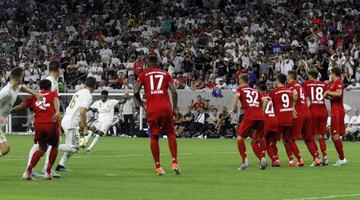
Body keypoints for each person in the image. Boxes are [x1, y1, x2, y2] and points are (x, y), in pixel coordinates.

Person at [134, 52, 180, 175]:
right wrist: (175, 108)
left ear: (147, 63)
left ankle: (158, 167)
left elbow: (135, 91)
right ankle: (175, 163)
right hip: (165, 108)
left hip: (152, 109)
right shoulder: (166, 74)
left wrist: (140, 103)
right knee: (171, 134)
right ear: (157, 62)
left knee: (154, 137)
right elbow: (174, 92)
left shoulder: (144, 74)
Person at [11, 79, 60, 180]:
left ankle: (28, 172)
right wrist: (57, 111)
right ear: (50, 87)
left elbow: (22, 106)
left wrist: (9, 111)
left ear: (40, 87)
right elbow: (56, 100)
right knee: (55, 146)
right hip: (51, 123)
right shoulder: (53, 93)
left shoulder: (34, 95)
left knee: (41, 148)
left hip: (38, 125)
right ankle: (47, 172)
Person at [26, 60, 61, 178]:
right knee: (43, 146)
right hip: (49, 120)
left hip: (42, 120)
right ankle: (43, 169)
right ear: (58, 70)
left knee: (42, 146)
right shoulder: (51, 82)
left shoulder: (50, 81)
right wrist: (57, 113)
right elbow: (53, 100)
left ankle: (34, 169)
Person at [55, 77, 96, 172]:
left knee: (72, 145)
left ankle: (61, 165)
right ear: (94, 86)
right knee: (74, 148)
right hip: (72, 122)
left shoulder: (78, 92)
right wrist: (85, 127)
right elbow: (82, 112)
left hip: (67, 119)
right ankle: (51, 146)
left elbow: (77, 108)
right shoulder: (88, 96)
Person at [0, 68, 42, 157]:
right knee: (5, 149)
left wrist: (35, 94)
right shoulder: (6, 92)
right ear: (20, 78)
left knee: (5, 149)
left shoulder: (16, 87)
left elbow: (22, 87)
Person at [229, 74, 267, 170]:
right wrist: (261, 112)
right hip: (261, 117)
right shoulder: (255, 91)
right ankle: (262, 159)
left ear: (241, 81)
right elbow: (265, 100)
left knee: (239, 138)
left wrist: (233, 108)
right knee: (256, 140)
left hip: (250, 116)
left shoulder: (240, 89)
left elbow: (236, 95)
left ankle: (245, 161)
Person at [287, 70, 320, 166]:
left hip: (299, 114)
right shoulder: (300, 86)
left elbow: (295, 95)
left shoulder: (291, 86)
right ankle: (316, 159)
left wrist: (293, 108)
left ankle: (300, 160)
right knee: (308, 138)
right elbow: (308, 101)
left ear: (289, 77)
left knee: (291, 139)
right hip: (307, 113)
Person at [270, 73, 303, 167]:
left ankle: (276, 160)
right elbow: (295, 96)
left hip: (279, 119)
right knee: (286, 140)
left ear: (277, 81)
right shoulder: (289, 91)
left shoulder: (274, 92)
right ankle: (293, 160)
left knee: (273, 141)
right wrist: (292, 107)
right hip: (289, 119)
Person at [303, 69, 329, 166]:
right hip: (323, 111)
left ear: (310, 76)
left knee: (311, 136)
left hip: (313, 112)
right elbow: (328, 96)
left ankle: (316, 157)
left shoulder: (306, 84)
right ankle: (325, 156)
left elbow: (307, 100)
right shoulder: (323, 84)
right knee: (321, 135)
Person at [324, 67, 347, 166]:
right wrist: (327, 96)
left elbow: (339, 93)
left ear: (334, 74)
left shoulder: (338, 82)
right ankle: (341, 158)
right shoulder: (332, 83)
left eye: (331, 73)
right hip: (334, 109)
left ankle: (342, 159)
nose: (330, 74)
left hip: (338, 110)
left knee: (335, 135)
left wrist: (328, 92)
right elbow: (333, 97)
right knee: (333, 136)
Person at [258, 84, 281, 167]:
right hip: (274, 120)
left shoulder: (261, 97)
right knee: (268, 143)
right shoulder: (270, 97)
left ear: (259, 89)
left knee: (261, 139)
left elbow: (262, 107)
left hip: (267, 120)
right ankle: (275, 160)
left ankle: (262, 159)